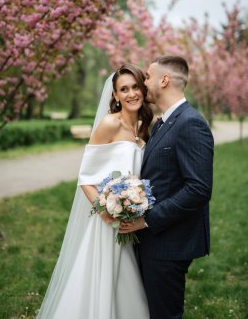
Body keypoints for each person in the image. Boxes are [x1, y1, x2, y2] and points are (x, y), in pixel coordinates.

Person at [36, 64, 153, 319]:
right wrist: (105, 211)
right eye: (124, 89)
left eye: (135, 87)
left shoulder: (144, 126)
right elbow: (86, 177)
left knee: (126, 278)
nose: (131, 93)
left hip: (130, 220)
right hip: (106, 222)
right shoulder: (109, 124)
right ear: (115, 95)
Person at [119, 55, 214, 319]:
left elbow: (199, 188)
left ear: (164, 79)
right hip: (155, 241)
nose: (143, 82)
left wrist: (146, 220)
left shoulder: (190, 123)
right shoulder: (163, 122)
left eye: (147, 77)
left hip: (170, 243)